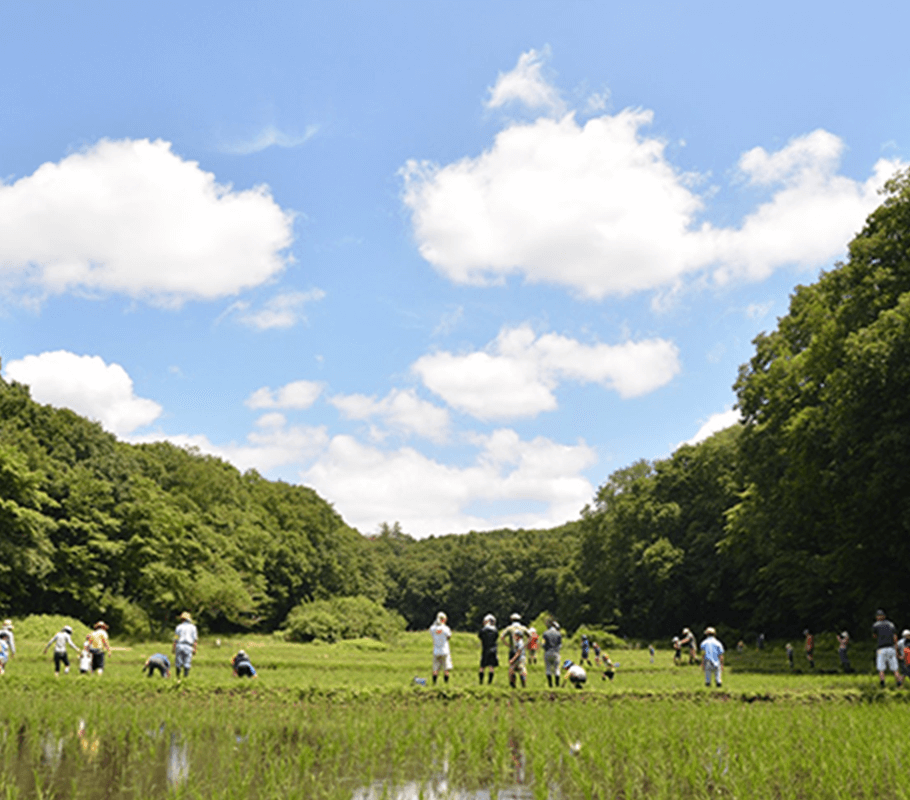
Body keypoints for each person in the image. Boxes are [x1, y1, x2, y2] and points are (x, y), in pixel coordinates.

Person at [872, 609, 903, 688]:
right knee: (895, 668)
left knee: (881, 668)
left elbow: (874, 636)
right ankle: (899, 684)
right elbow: (895, 637)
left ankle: (882, 683)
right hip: (891, 648)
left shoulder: (876, 625)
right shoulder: (891, 624)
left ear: (877, 617)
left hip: (881, 648)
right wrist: (896, 648)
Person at [173, 611, 198, 679]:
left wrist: (173, 648)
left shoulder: (178, 627)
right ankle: (185, 677)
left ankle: (178, 677)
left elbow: (175, 638)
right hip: (188, 646)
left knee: (178, 662)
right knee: (187, 662)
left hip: (179, 645)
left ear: (183, 619)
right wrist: (195, 648)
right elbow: (195, 640)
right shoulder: (193, 627)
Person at [430, 611, 452, 685]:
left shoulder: (432, 628)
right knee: (446, 668)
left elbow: (432, 633)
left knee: (435, 668)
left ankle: (434, 683)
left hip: (436, 650)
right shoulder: (446, 628)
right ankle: (446, 683)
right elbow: (449, 636)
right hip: (445, 650)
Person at [478, 614, 498, 685]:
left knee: (482, 666)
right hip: (493, 649)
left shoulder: (483, 630)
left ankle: (481, 681)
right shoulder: (495, 631)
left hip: (485, 649)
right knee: (491, 666)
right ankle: (489, 682)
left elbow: (480, 637)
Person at [542, 620, 562, 688]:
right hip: (556, 653)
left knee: (548, 669)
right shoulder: (559, 634)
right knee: (557, 669)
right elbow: (560, 645)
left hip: (547, 652)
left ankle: (550, 684)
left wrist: (546, 649)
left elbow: (543, 644)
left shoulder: (545, 633)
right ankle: (557, 684)